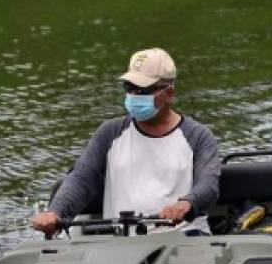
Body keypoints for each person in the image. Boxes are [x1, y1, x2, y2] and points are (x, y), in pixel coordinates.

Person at [30, 47, 220, 236]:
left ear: (169, 94)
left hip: (185, 238)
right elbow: (82, 178)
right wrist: (55, 212)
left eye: (143, 90)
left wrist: (186, 203)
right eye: (129, 88)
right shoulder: (109, 133)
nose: (134, 95)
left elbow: (208, 184)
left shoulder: (199, 137)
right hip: (122, 244)